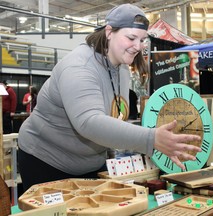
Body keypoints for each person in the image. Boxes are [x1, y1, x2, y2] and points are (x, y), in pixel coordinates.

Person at [18, 4, 202, 191]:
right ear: (109, 32)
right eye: (131, 38)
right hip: (46, 161)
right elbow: (89, 122)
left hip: (90, 164)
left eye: (142, 40)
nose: (138, 46)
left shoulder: (122, 68)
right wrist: (151, 138)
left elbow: (114, 116)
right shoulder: (79, 66)